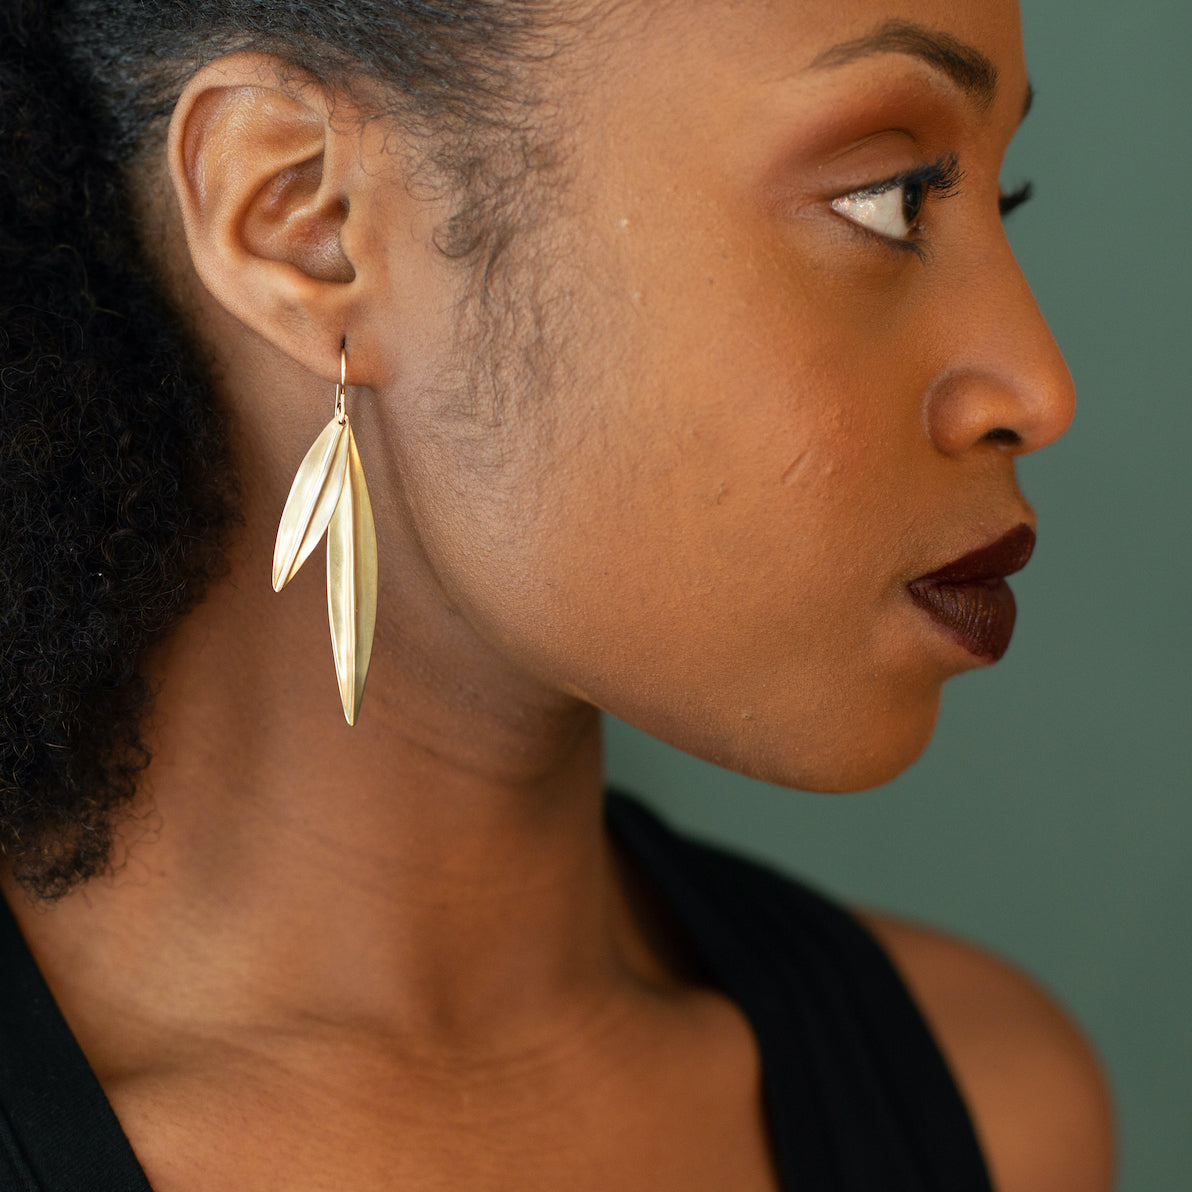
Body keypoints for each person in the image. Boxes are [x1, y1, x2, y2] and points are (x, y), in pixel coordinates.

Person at [0, 0, 1115, 1189]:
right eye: (888, 200)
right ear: (307, 221)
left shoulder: (995, 1113)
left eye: (1000, 202)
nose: (1037, 386)